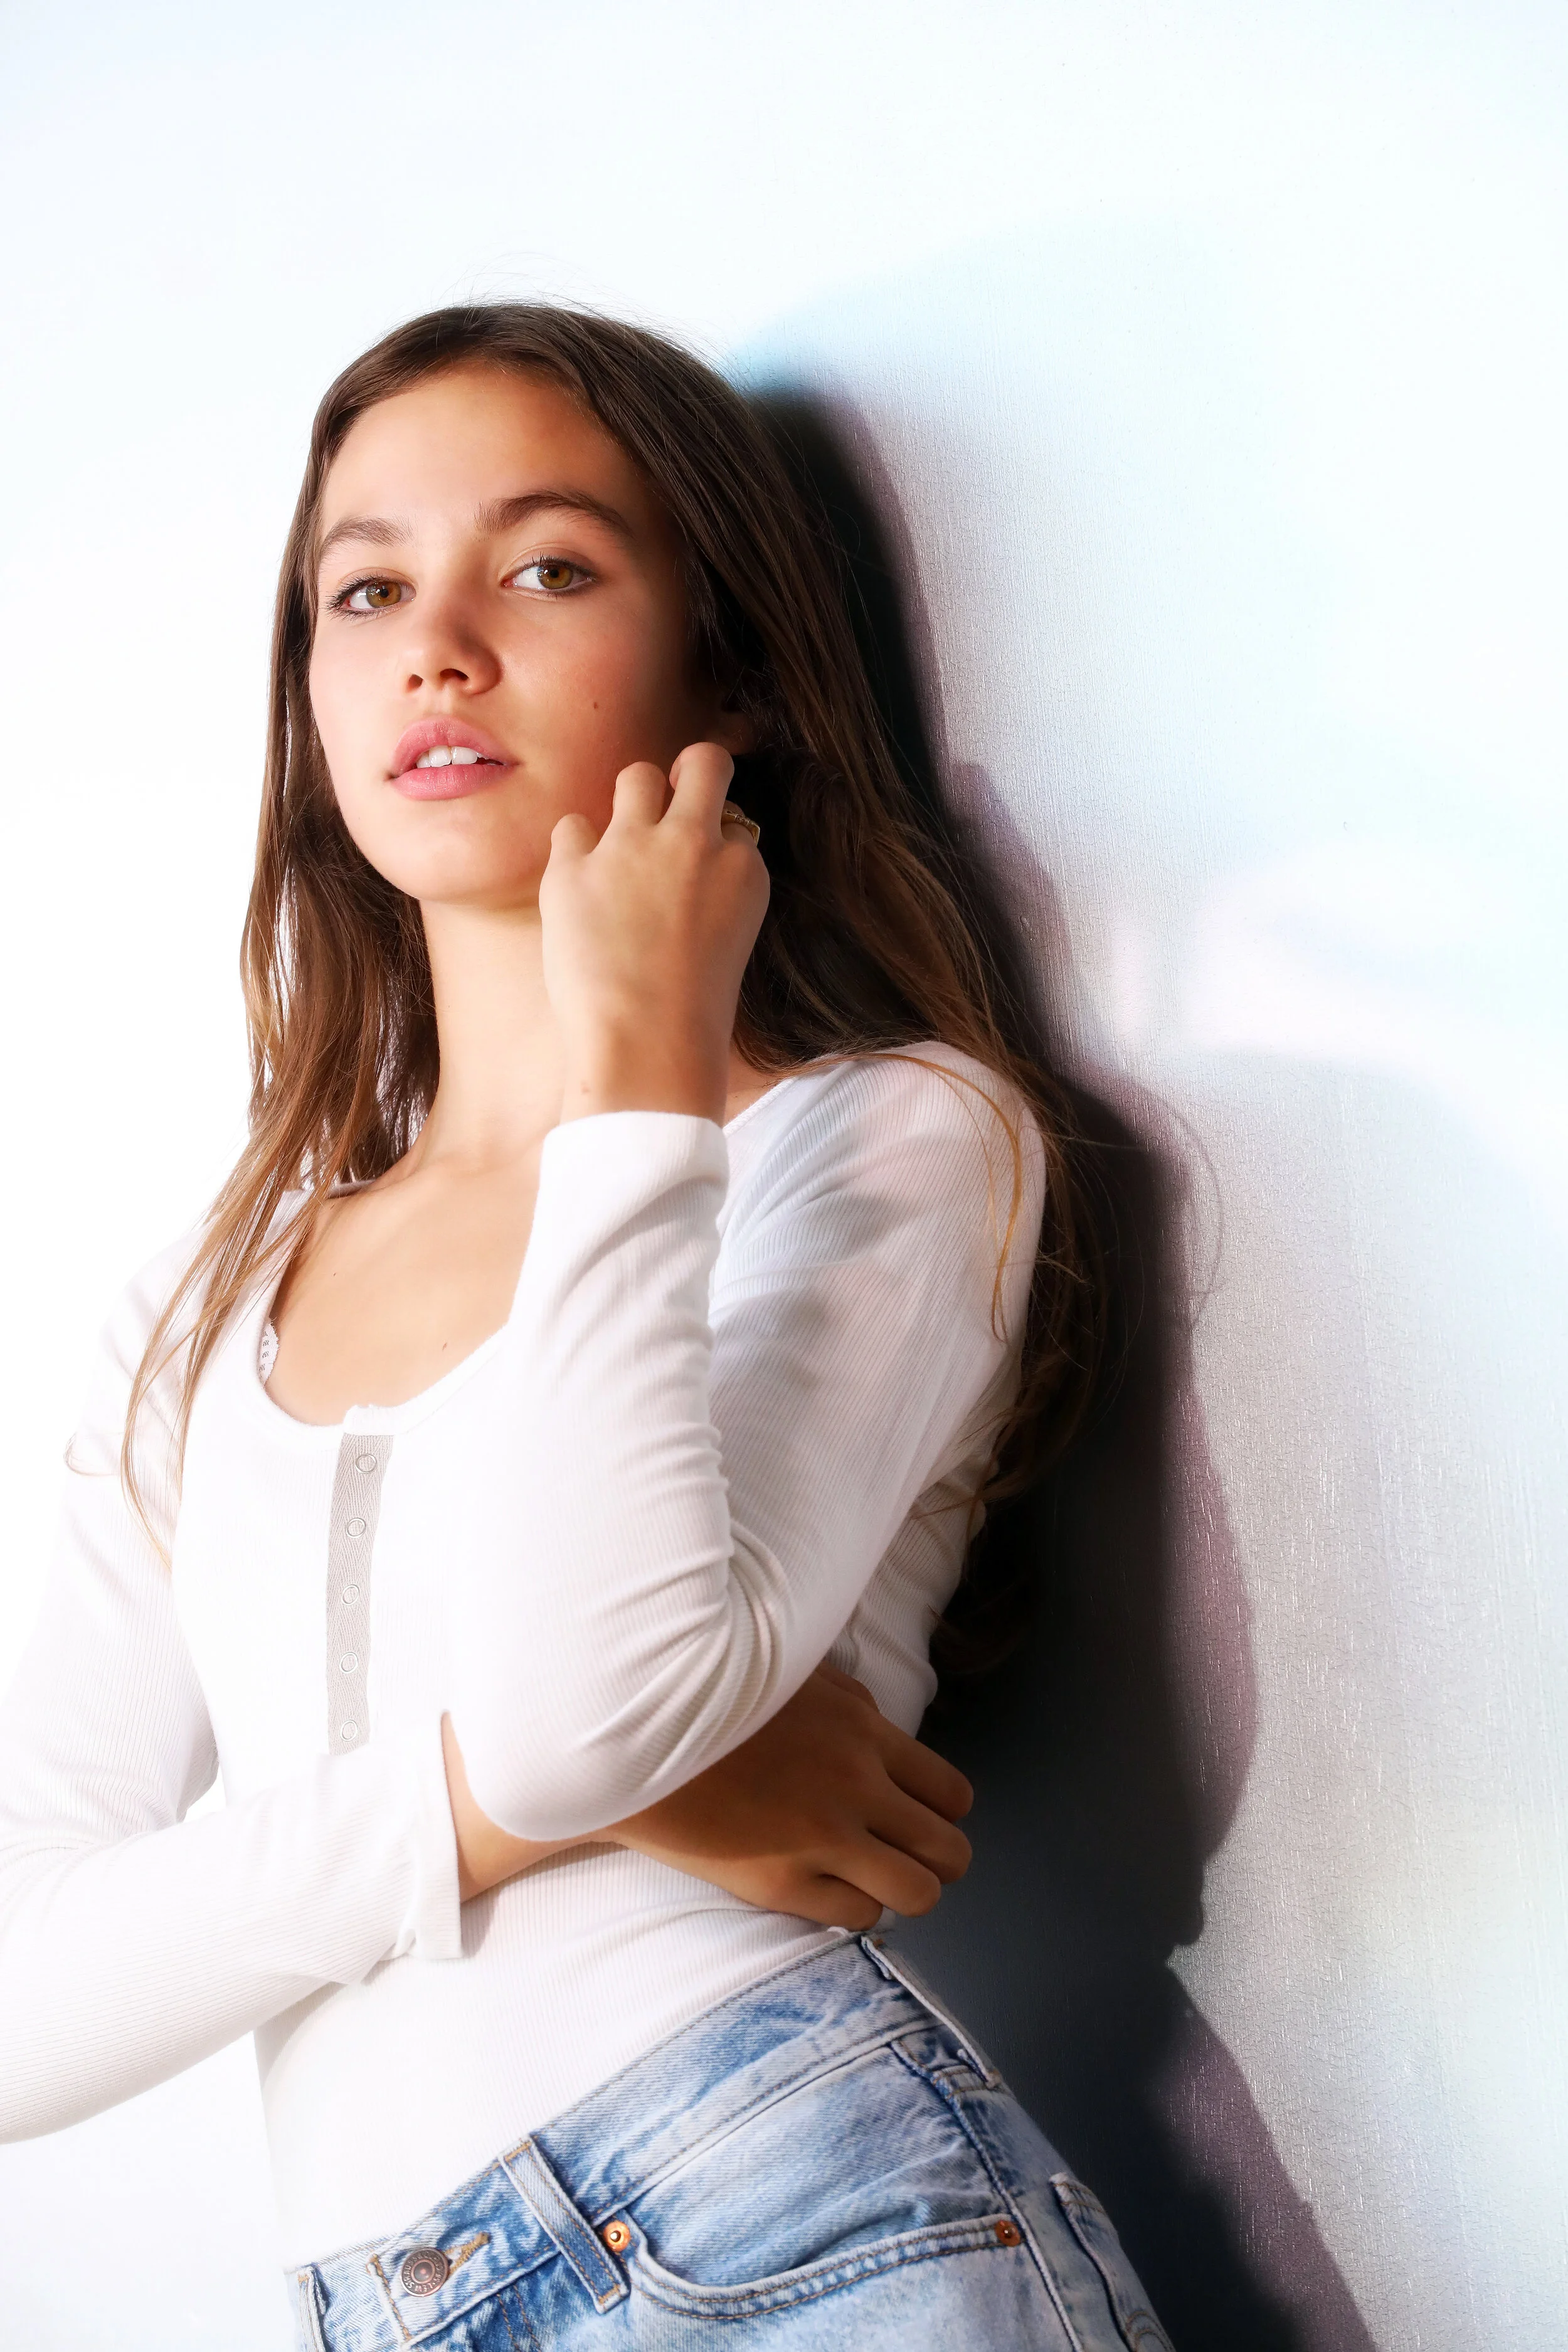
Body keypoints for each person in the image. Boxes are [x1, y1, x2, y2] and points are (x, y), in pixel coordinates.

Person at [0, 307, 1171, 2349]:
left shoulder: (885, 1141)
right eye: (364, 589)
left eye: (545, 567)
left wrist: (634, 1070)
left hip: (785, 2215)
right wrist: (514, 1794)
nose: (437, 646)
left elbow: (578, 1703)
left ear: (723, 659)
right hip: (390, 2297)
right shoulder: (200, 1312)